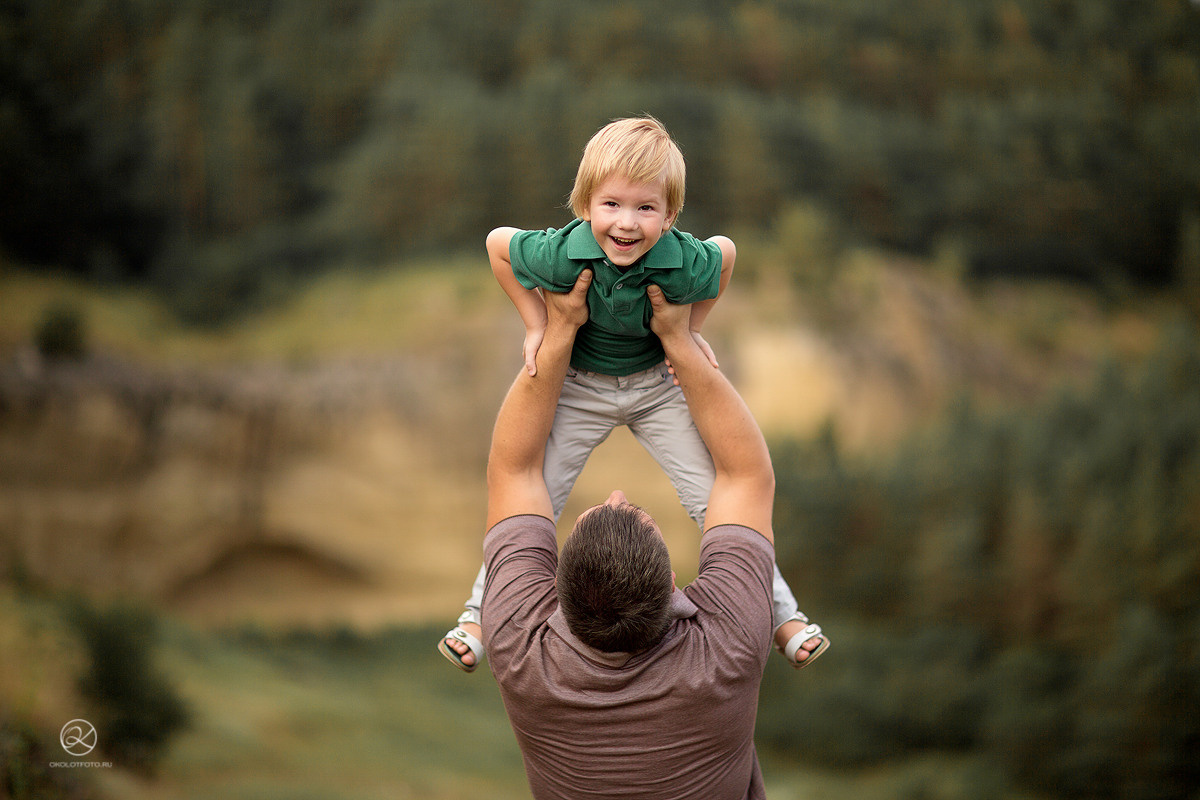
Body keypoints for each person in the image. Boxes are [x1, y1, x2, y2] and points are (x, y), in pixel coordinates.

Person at [439, 116, 828, 674]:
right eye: (611, 205)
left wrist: (691, 329)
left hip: (655, 388)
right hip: (579, 387)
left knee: (717, 503)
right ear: (584, 206)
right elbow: (497, 246)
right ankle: (478, 615)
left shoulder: (682, 256)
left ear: (670, 216)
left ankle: (783, 617)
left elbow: (726, 254)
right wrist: (533, 324)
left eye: (646, 209)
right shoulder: (560, 252)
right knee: (532, 502)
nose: (626, 224)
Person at [472, 270, 806, 799]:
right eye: (636, 514)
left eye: (597, 512)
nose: (617, 495)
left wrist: (559, 330)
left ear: (555, 588)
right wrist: (678, 337)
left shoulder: (518, 647)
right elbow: (745, 474)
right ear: (674, 585)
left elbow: (515, 470)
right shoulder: (726, 644)